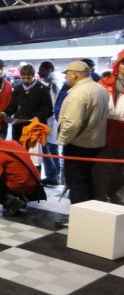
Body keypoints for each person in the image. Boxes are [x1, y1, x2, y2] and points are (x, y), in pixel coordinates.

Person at [57, 60, 109, 211]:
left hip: (78, 144)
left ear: (74, 74)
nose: (66, 77)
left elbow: (72, 123)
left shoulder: (78, 93)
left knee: (76, 183)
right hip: (96, 143)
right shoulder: (100, 89)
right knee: (89, 181)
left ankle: (78, 218)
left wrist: (63, 140)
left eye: (67, 74)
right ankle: (89, 216)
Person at [93, 50, 124, 204]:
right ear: (118, 64)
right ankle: (100, 196)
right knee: (101, 168)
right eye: (123, 62)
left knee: (121, 169)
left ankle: (113, 194)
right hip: (104, 130)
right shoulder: (104, 83)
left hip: (122, 133)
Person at [0, 64, 53, 142]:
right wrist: (5, 113)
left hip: (35, 127)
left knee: (33, 153)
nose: (25, 80)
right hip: (18, 127)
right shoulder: (18, 89)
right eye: (23, 78)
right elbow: (13, 106)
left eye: (28, 78)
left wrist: (38, 117)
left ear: (33, 76)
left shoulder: (43, 90)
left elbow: (48, 109)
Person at [38, 61, 62, 186]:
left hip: (51, 122)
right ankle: (53, 175)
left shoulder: (54, 84)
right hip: (50, 122)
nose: (39, 72)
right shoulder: (50, 83)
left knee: (49, 149)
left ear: (49, 69)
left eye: (41, 70)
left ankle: (53, 175)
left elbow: (53, 105)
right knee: (51, 149)